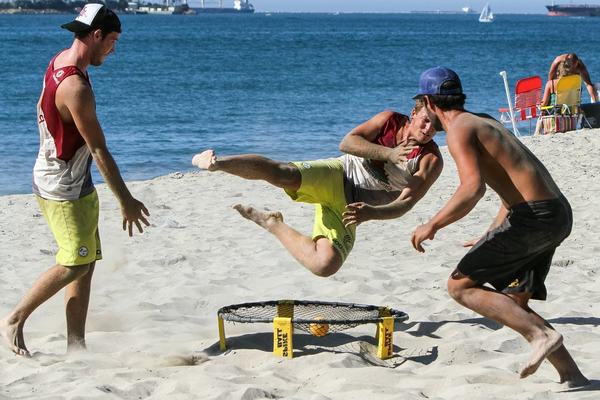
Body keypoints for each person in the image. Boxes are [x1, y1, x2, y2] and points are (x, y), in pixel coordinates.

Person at [410, 67, 588, 386]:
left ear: (428, 101)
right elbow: (509, 188)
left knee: (460, 286)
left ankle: (541, 334)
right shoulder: (484, 120)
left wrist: (433, 224)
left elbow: (472, 188)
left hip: (536, 217)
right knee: (513, 300)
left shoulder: (459, 130)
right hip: (556, 213)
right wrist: (492, 233)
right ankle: (572, 375)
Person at [0, 4, 150, 357]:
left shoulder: (60, 62)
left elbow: (44, 109)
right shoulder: (75, 87)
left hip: (69, 179)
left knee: (86, 264)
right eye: (112, 40)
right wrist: (126, 200)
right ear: (96, 35)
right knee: (77, 261)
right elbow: (99, 150)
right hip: (62, 187)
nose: (114, 49)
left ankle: (76, 347)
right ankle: (14, 319)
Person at [192, 100, 443, 277]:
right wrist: (389, 153)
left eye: (435, 126)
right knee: (283, 173)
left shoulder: (430, 159)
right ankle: (217, 163)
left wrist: (371, 213)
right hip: (338, 174)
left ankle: (272, 223)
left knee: (325, 266)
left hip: (353, 207)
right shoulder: (389, 120)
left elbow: (406, 203)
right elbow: (347, 142)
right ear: (413, 113)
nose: (428, 129)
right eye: (425, 121)